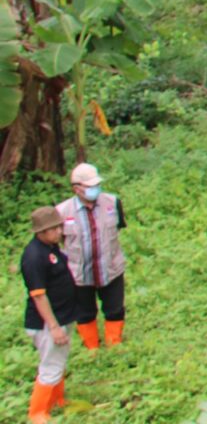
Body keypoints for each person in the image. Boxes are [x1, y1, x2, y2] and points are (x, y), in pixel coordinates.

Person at [56, 163, 127, 352]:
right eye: (89, 186)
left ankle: (114, 344)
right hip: (79, 273)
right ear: (76, 188)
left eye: (96, 185)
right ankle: (92, 348)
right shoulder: (62, 212)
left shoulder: (112, 203)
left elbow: (118, 227)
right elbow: (59, 241)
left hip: (111, 267)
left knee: (115, 308)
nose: (94, 189)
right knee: (84, 312)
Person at [22, 206, 76, 423]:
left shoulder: (51, 247)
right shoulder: (33, 257)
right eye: (53, 229)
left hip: (63, 314)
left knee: (59, 360)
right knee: (50, 364)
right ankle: (37, 413)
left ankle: (57, 400)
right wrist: (53, 326)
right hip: (47, 322)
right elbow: (38, 295)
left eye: (59, 227)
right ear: (40, 232)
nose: (58, 232)